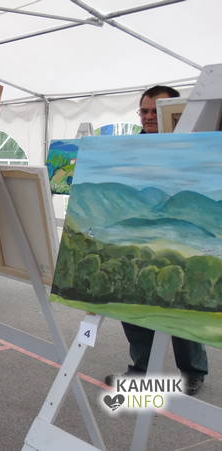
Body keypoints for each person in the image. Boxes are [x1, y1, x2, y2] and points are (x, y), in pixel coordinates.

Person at [105, 85, 208, 396]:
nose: (149, 117)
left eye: (156, 111)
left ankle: (192, 371)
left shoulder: (197, 145)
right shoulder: (129, 149)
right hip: (137, 237)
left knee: (181, 306)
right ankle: (141, 369)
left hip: (182, 238)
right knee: (133, 306)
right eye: (144, 111)